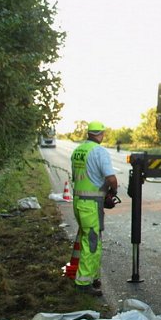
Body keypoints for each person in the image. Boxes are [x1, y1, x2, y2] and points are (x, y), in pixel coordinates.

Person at [70, 121, 118, 296]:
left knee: (88, 239)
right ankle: (83, 283)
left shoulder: (78, 151)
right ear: (101, 134)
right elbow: (111, 178)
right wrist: (113, 191)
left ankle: (93, 277)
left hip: (78, 202)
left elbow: (79, 177)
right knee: (92, 243)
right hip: (90, 204)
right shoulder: (99, 152)